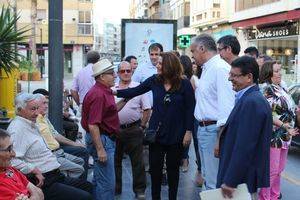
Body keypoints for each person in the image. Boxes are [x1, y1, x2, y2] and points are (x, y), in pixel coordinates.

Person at [114, 52, 195, 200]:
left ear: (169, 65)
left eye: (159, 63)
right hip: (156, 133)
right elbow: (134, 91)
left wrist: (188, 131)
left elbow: (190, 108)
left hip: (176, 133)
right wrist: (112, 91)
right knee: (155, 170)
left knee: (172, 171)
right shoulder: (154, 80)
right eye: (156, 63)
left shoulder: (184, 83)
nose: (156, 65)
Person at [7, 93, 93, 200]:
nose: (37, 113)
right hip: (43, 180)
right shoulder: (17, 129)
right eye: (33, 109)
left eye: (37, 108)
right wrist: (32, 169)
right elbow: (11, 160)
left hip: (55, 175)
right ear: (20, 110)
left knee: (88, 187)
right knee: (85, 197)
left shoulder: (30, 123)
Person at [216, 56, 273, 199]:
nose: (230, 79)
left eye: (234, 75)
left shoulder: (252, 102)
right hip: (242, 180)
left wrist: (231, 180)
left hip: (242, 182)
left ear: (249, 77)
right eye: (230, 74)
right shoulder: (249, 98)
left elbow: (244, 146)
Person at [190, 34, 235, 190]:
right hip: (204, 130)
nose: (192, 56)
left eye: (193, 51)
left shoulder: (220, 68)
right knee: (208, 178)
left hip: (213, 131)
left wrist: (219, 139)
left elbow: (227, 107)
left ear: (202, 49)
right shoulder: (208, 68)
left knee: (213, 182)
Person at [81, 58, 122, 200]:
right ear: (102, 76)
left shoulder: (105, 90)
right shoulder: (98, 94)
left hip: (105, 138)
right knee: (107, 184)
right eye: (112, 73)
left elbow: (111, 111)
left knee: (99, 180)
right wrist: (100, 149)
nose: (115, 75)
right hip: (102, 139)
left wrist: (126, 99)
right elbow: (93, 124)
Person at [258, 61, 299, 200]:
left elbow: (287, 107)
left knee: (279, 170)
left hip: (285, 135)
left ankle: (274, 196)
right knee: (272, 171)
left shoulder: (280, 87)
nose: (280, 73)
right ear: (268, 73)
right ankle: (265, 197)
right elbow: (268, 114)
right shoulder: (267, 89)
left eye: (280, 70)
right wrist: (284, 126)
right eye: (276, 71)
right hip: (274, 135)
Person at [113, 61, 151, 199]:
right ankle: (116, 188)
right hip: (114, 130)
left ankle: (140, 190)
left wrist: (141, 126)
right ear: (118, 73)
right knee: (115, 161)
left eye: (128, 70)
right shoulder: (112, 89)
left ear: (132, 72)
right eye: (122, 71)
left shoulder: (139, 88)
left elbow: (147, 109)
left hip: (134, 129)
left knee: (138, 162)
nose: (126, 73)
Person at [33, 89, 89, 180]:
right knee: (80, 160)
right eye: (44, 102)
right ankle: (76, 184)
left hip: (57, 149)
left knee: (81, 152)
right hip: (51, 153)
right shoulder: (34, 119)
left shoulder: (44, 117)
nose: (47, 105)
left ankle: (77, 183)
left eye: (47, 102)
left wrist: (75, 144)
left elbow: (55, 134)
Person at [0, 129, 44, 200]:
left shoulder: (9, 169)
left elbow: (39, 193)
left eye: (12, 147)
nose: (14, 154)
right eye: (9, 149)